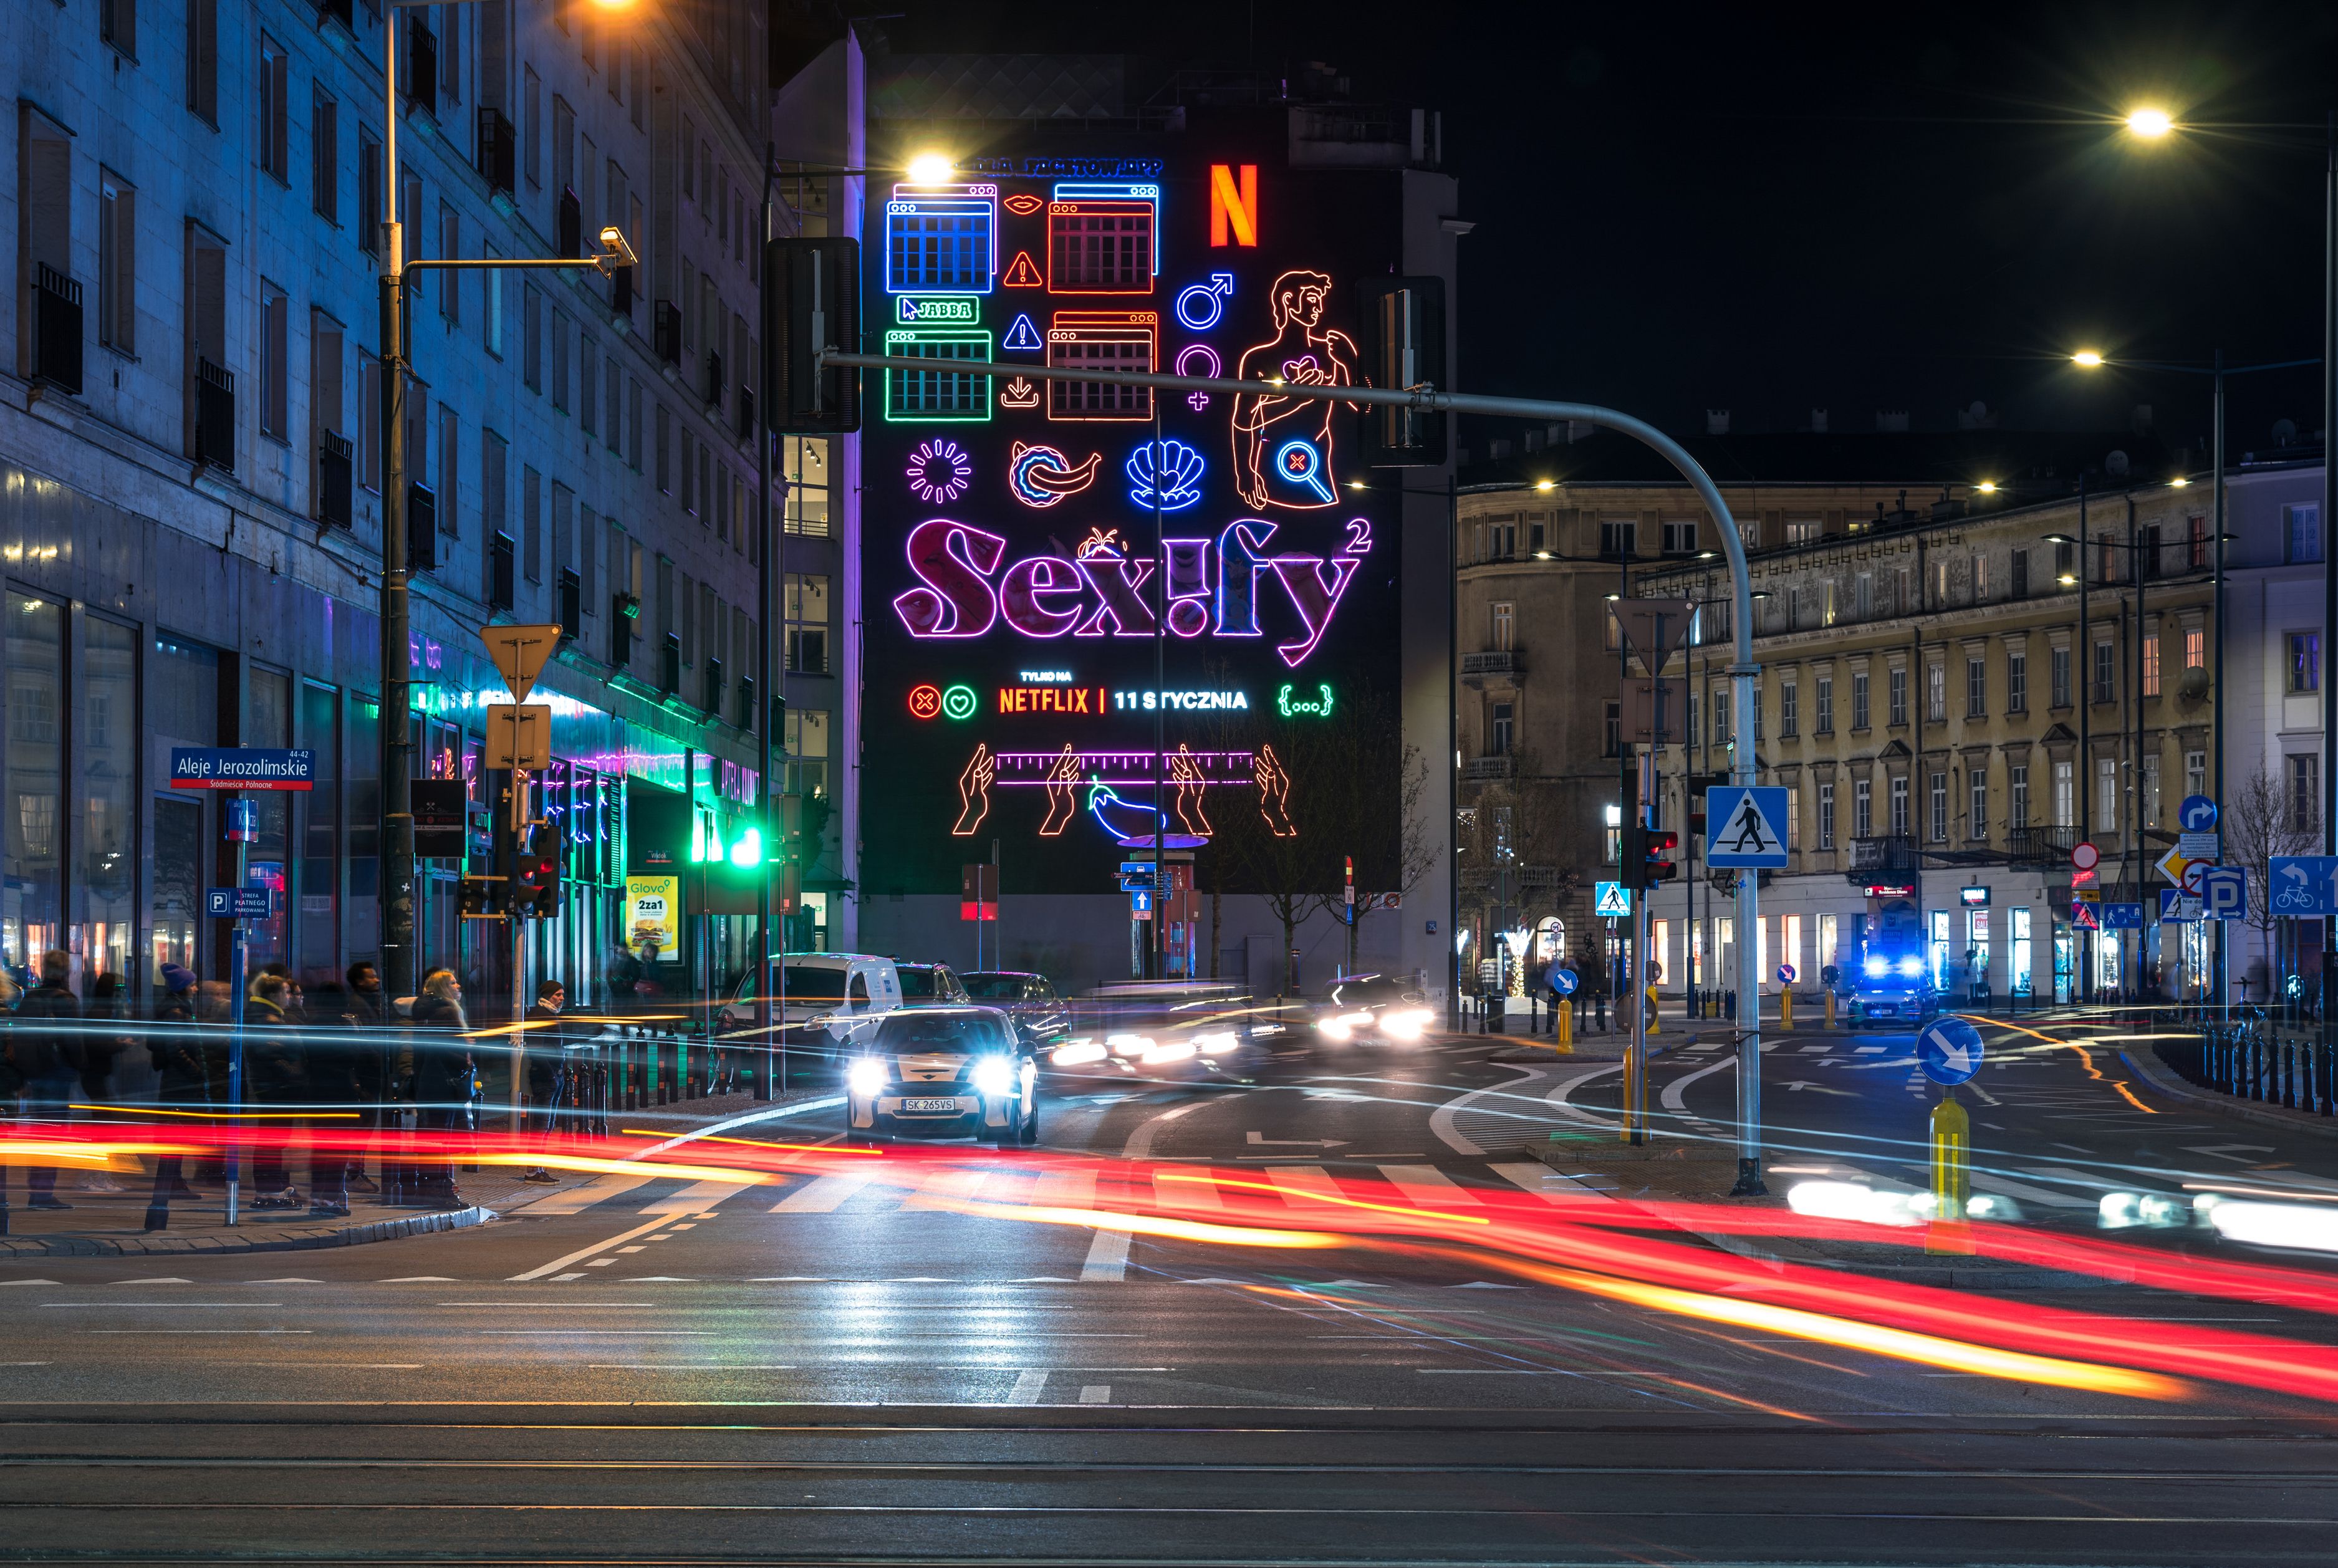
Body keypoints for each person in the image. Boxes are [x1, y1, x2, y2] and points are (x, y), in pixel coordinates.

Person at [14, 951, 84, 1211]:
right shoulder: (66, 1000)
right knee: (54, 1131)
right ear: (67, 972)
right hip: (59, 1073)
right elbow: (73, 1040)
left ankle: (38, 1191)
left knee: (39, 1131)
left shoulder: (30, 999)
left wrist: (23, 1074)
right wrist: (80, 1065)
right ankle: (43, 1194)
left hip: (34, 1073)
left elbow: (19, 1038)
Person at [408, 968, 471, 1208]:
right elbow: (445, 1048)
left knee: (438, 1137)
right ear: (444, 988)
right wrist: (466, 1054)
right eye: (453, 983)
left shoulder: (431, 1012)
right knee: (442, 1138)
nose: (459, 986)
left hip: (431, 1083)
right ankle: (440, 1191)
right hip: (443, 1084)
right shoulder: (447, 1011)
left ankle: (436, 1189)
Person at [519, 981, 568, 1183]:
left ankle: (539, 1168)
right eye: (557, 995)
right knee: (540, 1126)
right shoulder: (540, 1015)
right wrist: (551, 1076)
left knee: (547, 1125)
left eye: (562, 994)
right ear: (548, 996)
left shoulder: (549, 1014)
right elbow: (537, 1049)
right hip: (545, 1078)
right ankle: (532, 1171)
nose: (561, 998)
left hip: (553, 1077)